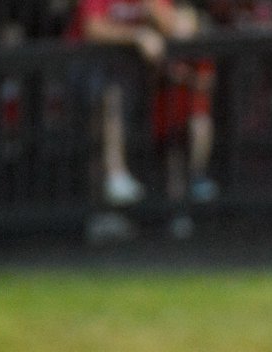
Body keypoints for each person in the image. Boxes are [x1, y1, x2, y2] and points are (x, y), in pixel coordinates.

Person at [67, 0, 201, 206]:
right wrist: (136, 35)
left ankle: (163, 201)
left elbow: (177, 27)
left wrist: (157, 12)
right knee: (101, 125)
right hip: (89, 68)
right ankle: (104, 203)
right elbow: (93, 28)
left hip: (132, 75)